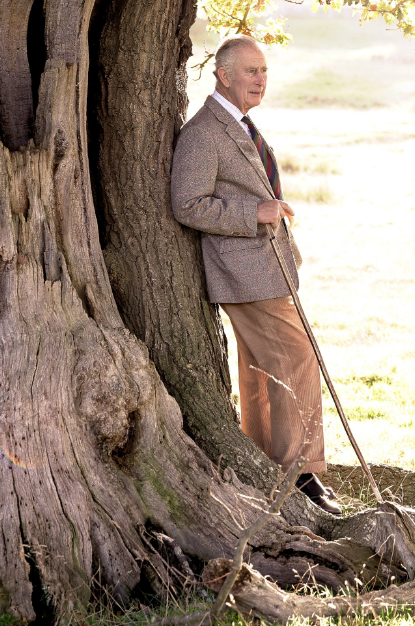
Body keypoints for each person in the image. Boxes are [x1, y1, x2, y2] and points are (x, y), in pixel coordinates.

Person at [170, 35, 342, 515]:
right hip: (244, 272)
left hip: (266, 269)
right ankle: (301, 475)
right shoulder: (205, 131)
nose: (260, 80)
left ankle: (269, 464)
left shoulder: (240, 124)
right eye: (250, 71)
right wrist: (256, 211)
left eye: (264, 71)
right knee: (297, 359)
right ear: (223, 74)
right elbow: (186, 204)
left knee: (263, 370)